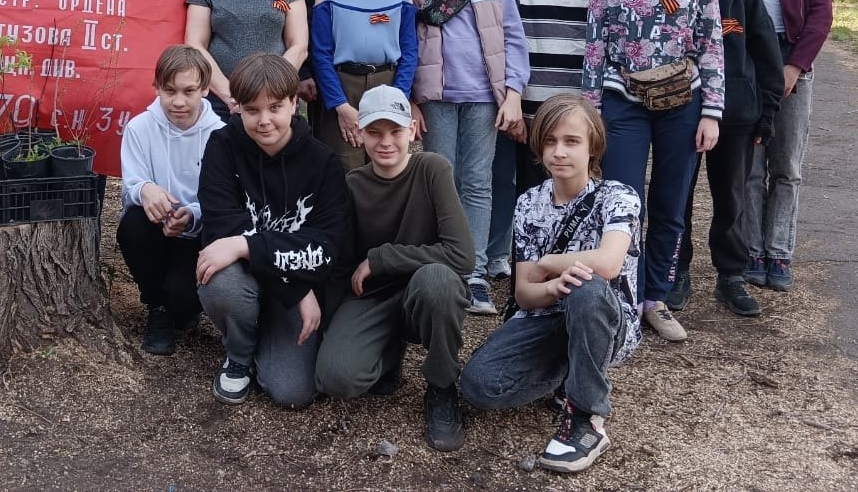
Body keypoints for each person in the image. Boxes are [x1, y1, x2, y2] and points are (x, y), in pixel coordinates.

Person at [460, 94, 641, 475]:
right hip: (546, 318)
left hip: (607, 320)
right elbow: (524, 294)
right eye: (550, 141)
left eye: (572, 141)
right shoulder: (529, 203)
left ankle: (586, 419)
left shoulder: (618, 198)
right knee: (478, 386)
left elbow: (608, 264)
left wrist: (547, 264)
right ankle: (569, 373)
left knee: (587, 286)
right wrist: (552, 287)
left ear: (593, 146)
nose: (559, 152)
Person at [583, 0, 724, 343]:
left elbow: (710, 47)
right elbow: (596, 49)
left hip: (682, 105)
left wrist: (712, 112)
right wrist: (591, 110)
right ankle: (622, 293)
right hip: (624, 105)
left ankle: (655, 297)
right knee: (623, 201)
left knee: (671, 201)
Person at [315, 84, 474, 453]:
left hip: (425, 289)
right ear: (360, 135)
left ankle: (441, 387)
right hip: (373, 296)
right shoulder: (352, 185)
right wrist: (331, 325)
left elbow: (462, 256)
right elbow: (341, 266)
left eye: (395, 131)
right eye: (374, 132)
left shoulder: (432, 168)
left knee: (438, 282)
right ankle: (388, 356)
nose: (386, 142)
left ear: (412, 131)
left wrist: (382, 258)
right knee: (337, 377)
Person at [397, 0, 529, 316]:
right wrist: (409, 98)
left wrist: (513, 92)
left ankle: (472, 272)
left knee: (477, 182)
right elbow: (402, 35)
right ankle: (445, 265)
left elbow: (512, 33)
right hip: (435, 95)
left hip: (483, 96)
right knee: (441, 180)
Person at [195, 54, 349, 408]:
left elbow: (324, 248)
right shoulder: (222, 146)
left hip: (290, 282)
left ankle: (266, 332)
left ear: (294, 103)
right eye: (252, 110)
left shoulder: (324, 163)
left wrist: (249, 249)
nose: (264, 121)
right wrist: (295, 287)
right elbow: (222, 229)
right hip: (259, 278)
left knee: (293, 391)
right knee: (222, 278)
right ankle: (239, 352)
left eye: (275, 107)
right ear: (238, 109)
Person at [672, 0, 783, 318]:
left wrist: (766, 113)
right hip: (680, 108)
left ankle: (731, 276)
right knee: (676, 193)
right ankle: (674, 271)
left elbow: (765, 51)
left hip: (736, 113)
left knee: (731, 197)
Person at [727, 0, 832, 292]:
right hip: (746, 62)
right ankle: (751, 249)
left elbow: (821, 16)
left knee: (786, 165)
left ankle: (779, 252)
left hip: (791, 61)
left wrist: (794, 67)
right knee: (750, 166)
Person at [118, 44, 224, 355]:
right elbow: (130, 187)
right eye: (169, 90)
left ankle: (182, 305)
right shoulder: (139, 128)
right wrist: (144, 189)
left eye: (188, 91)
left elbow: (223, 201)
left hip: (197, 234)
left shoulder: (219, 135)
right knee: (132, 225)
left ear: (205, 90)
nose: (178, 101)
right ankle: (156, 307)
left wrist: (192, 214)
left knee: (183, 304)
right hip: (155, 229)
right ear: (157, 88)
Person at [508, 0, 602, 196]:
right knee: (533, 194)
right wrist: (515, 105)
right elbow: (509, 47)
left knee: (578, 194)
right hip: (531, 112)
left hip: (578, 112)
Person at [310, 0, 417, 168]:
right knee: (346, 168)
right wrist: (341, 106)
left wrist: (399, 95)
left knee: (386, 165)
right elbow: (321, 53)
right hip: (343, 87)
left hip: (387, 83)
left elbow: (410, 50)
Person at [475, 0, 528, 282]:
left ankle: (499, 251)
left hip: (518, 85)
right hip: (477, 86)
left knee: (508, 174)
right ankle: (472, 251)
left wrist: (515, 88)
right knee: (478, 174)